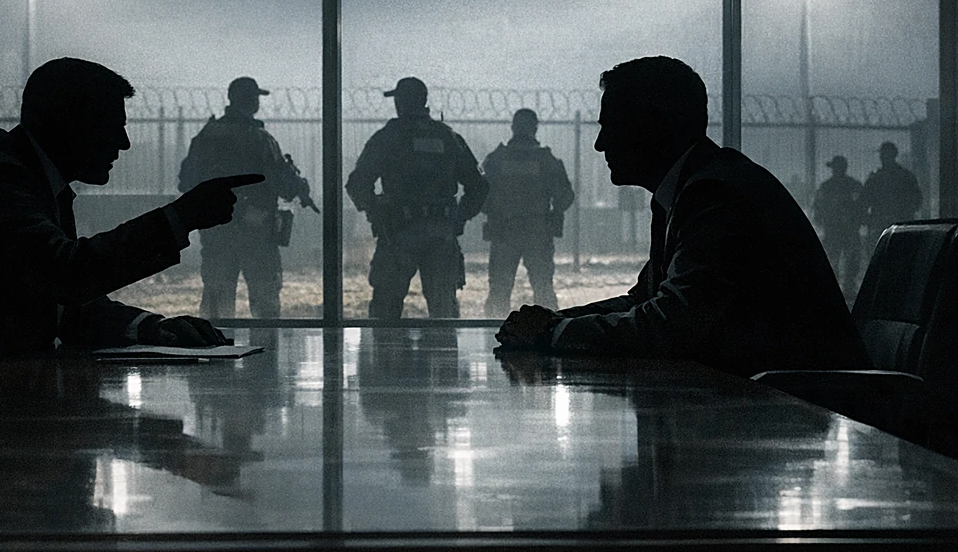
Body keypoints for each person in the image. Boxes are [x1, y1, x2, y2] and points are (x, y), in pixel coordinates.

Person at [0, 58, 262, 381]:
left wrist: (150, 327)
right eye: (113, 126)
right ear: (70, 124)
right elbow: (65, 276)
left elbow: (54, 301)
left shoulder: (19, 177)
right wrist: (180, 217)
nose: (125, 142)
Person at [496, 56, 866, 378]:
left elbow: (669, 324)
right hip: (766, 400)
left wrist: (552, 333)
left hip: (800, 407)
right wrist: (556, 323)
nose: (600, 143)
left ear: (656, 127)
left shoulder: (715, 196)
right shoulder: (692, 189)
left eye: (612, 125)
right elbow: (645, 300)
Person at [346, 77, 488, 318]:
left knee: (386, 310)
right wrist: (459, 217)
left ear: (400, 103)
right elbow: (479, 186)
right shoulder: (447, 137)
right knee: (443, 309)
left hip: (398, 230)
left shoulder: (390, 137)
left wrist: (375, 210)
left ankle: (387, 355)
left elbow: (357, 183)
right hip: (441, 232)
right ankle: (444, 354)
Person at [178, 77, 309, 319]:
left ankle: (217, 352)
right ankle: (265, 354)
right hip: (256, 231)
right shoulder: (259, 139)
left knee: (217, 303)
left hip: (217, 229)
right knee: (265, 302)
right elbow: (284, 184)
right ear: (251, 101)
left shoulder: (207, 136)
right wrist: (299, 188)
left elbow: (186, 181)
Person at [481, 108, 574, 317]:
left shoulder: (497, 159)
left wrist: (495, 211)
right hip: (537, 232)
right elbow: (565, 195)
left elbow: (480, 193)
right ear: (535, 128)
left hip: (504, 232)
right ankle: (547, 333)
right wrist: (553, 212)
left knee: (499, 291)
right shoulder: (545, 160)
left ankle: (493, 334)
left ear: (513, 127)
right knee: (543, 290)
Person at [813, 155, 864, 296]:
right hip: (842, 230)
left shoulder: (827, 186)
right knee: (845, 259)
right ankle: (847, 286)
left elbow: (817, 209)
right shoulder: (852, 185)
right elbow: (861, 206)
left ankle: (842, 286)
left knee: (840, 259)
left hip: (837, 230)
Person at [861, 141, 922, 258]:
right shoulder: (906, 176)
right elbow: (917, 200)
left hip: (886, 223)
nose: (882, 157)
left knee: (880, 257)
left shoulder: (876, 177)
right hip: (898, 223)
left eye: (884, 154)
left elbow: (864, 200)